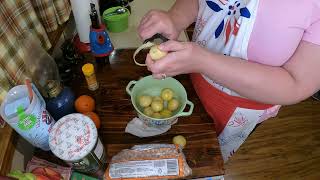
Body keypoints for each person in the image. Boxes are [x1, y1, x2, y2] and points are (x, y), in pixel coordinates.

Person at [138, 0, 320, 161]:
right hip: (193, 77)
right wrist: (175, 18)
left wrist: (204, 62)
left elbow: (297, 84)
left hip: (239, 108)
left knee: (203, 157)